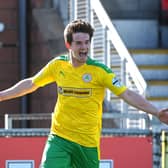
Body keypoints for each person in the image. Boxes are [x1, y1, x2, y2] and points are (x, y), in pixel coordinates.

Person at [0, 19, 168, 168]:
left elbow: (127, 94)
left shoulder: (100, 71)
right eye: (79, 43)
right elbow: (31, 83)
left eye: (87, 43)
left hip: (88, 145)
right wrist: (2, 95)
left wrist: (156, 112)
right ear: (68, 45)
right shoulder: (58, 66)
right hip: (59, 138)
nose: (84, 48)